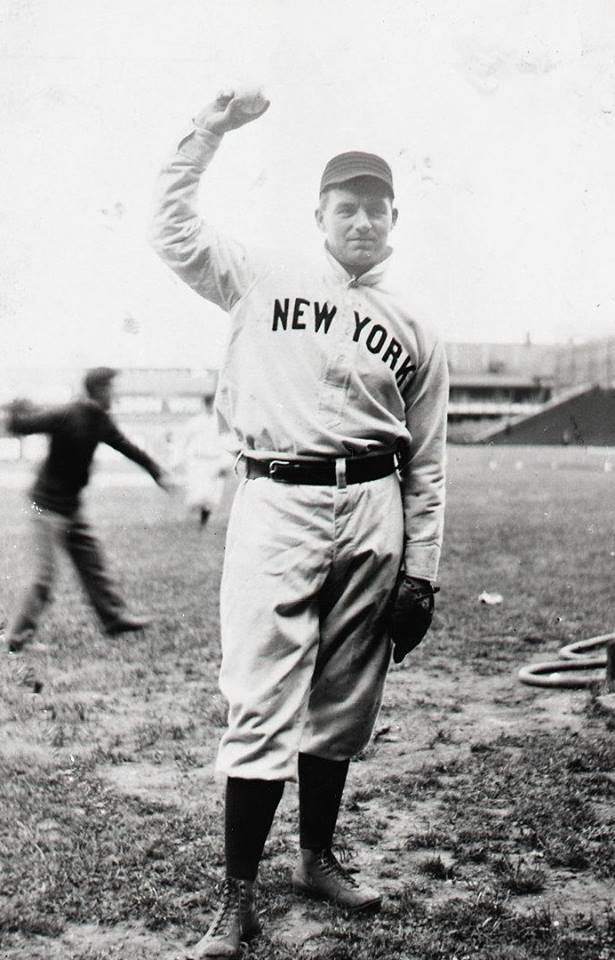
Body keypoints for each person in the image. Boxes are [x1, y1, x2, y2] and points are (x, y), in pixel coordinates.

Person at [151, 89, 448, 958]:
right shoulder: (261, 271)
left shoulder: (418, 322)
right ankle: (235, 897)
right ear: (317, 214)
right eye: (344, 205)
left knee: (346, 698)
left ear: (394, 219)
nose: (361, 219)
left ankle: (316, 858)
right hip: (276, 497)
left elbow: (427, 460)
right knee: (259, 696)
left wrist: (421, 570)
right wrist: (205, 130)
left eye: (375, 207)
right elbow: (172, 233)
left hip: (374, 505)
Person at [5, 367, 172, 685]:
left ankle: (114, 618)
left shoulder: (100, 420)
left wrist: (156, 471)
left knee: (90, 560)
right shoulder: (70, 413)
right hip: (45, 505)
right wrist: (15, 407)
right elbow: (23, 425)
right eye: (111, 388)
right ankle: (15, 639)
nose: (115, 394)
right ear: (97, 389)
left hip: (69, 507)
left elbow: (127, 447)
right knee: (43, 577)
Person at [174, 394, 229, 529]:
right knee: (197, 494)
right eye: (209, 404)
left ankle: (203, 521)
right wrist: (178, 459)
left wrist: (225, 463)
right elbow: (183, 441)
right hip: (198, 461)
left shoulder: (221, 423)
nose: (211, 407)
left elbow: (227, 443)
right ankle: (192, 521)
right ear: (204, 405)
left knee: (212, 496)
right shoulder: (195, 422)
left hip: (215, 460)